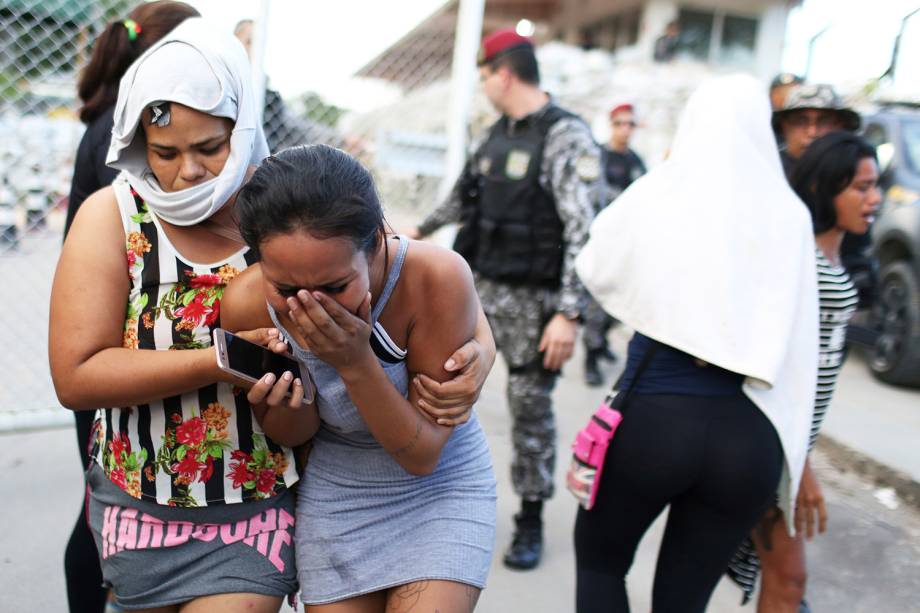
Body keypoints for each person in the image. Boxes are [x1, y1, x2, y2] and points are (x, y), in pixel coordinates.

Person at [50, 19, 493, 611]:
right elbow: (75, 375)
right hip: (143, 497)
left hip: (256, 501)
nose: (191, 171)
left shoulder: (293, 203)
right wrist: (220, 362)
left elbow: (400, 262)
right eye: (165, 152)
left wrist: (481, 348)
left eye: (211, 146)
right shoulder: (117, 216)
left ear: (243, 126)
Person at [573, 74, 819, 613]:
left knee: (600, 563)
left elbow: (594, 262)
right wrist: (796, 461)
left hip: (656, 416)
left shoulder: (664, 188)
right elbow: (805, 348)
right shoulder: (792, 215)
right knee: (684, 600)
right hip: (750, 434)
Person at [217, 143, 497, 612]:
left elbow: (423, 453)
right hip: (339, 484)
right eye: (286, 289)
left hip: (439, 486)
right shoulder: (246, 303)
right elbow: (296, 433)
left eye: (334, 286)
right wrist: (283, 402)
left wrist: (354, 362)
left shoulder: (434, 279)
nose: (310, 306)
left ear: (377, 245)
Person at [409, 28, 599, 570]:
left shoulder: (566, 137)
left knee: (529, 409)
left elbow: (583, 230)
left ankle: (531, 519)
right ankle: (431, 499)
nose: (485, 87)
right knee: (439, 386)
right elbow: (462, 198)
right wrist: (416, 231)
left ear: (504, 75)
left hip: (537, 304)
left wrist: (568, 313)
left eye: (486, 76)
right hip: (480, 289)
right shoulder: (495, 136)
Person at [60, 4, 201, 612]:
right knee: (104, 507)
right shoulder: (125, 138)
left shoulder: (131, 122)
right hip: (113, 352)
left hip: (127, 352)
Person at [729, 132, 881, 613]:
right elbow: (780, 373)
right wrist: (801, 467)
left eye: (875, 185)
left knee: (772, 579)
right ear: (824, 187)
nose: (873, 198)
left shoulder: (834, 254)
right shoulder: (806, 261)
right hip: (772, 442)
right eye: (860, 187)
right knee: (787, 579)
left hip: (792, 444)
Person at [582, 102, 647, 386]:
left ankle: (602, 342)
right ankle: (591, 357)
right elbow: (590, 193)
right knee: (597, 301)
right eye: (620, 123)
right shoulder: (599, 156)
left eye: (630, 124)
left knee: (617, 299)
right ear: (611, 125)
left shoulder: (636, 162)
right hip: (601, 239)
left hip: (626, 241)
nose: (625, 129)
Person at [772, 83, 860, 180]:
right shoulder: (767, 171)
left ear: (841, 127)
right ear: (783, 126)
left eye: (825, 121)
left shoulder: (858, 173)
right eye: (800, 121)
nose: (812, 132)